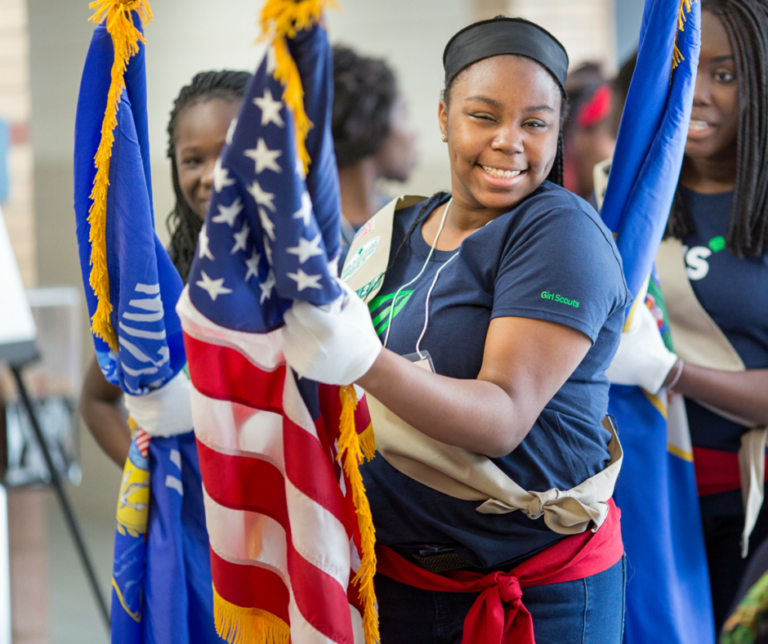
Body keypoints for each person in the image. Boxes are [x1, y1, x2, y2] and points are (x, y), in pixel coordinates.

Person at [282, 16, 631, 643]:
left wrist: (363, 359)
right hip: (402, 580)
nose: (509, 142)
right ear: (444, 116)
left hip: (537, 588)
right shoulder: (396, 227)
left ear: (557, 132)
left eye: (534, 123)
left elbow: (501, 417)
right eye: (483, 116)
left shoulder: (559, 232)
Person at [605, 0, 768, 632]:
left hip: (751, 516)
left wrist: (670, 371)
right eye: (687, 66)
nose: (697, 94)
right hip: (646, 506)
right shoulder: (615, 200)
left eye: (724, 76)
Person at [78, 70, 250, 641]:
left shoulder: (311, 272)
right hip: (188, 541)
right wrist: (151, 463)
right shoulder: (160, 285)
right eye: (191, 159)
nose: (210, 176)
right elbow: (97, 398)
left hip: (273, 533)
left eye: (230, 154)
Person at [332, 44, 417, 263]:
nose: (412, 134)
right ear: (371, 122)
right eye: (403, 113)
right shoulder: (315, 245)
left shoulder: (416, 223)